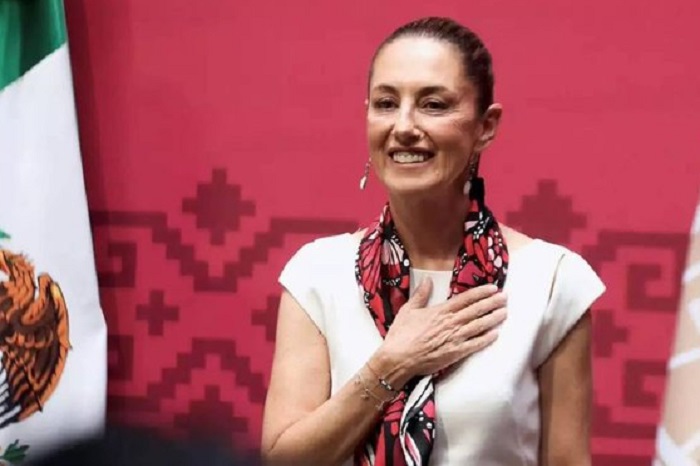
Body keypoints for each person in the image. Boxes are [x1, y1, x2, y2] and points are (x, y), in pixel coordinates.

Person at [261, 16, 605, 466]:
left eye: (433, 105)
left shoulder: (552, 282)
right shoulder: (317, 274)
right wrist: (391, 364)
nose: (404, 125)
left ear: (486, 126)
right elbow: (282, 460)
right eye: (386, 103)